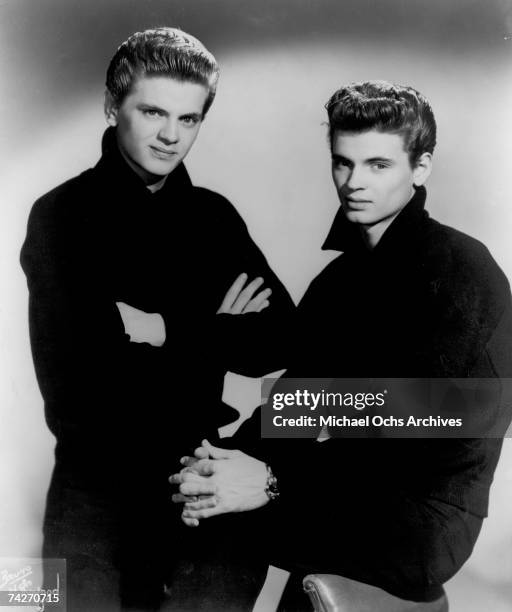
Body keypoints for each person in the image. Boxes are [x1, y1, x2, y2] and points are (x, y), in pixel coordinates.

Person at [171, 81, 512, 610]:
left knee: (236, 514)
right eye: (343, 163)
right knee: (212, 506)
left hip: (424, 520)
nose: (354, 182)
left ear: (420, 168)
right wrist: (225, 461)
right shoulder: (338, 282)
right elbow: (295, 402)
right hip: (348, 494)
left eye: (378, 165)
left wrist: (272, 480)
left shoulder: (465, 269)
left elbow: (453, 414)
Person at [20, 27, 294, 611]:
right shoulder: (60, 217)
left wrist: (163, 329)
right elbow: (83, 387)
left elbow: (281, 338)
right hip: (92, 500)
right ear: (111, 105)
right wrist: (219, 335)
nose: (171, 136)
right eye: (153, 112)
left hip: (197, 483)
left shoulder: (214, 218)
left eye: (190, 119)